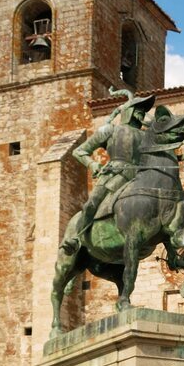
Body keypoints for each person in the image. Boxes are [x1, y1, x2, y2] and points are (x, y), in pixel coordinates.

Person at [59, 92, 157, 255]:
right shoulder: (110, 130)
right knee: (92, 204)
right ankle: (75, 238)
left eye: (143, 110)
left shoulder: (147, 136)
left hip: (140, 178)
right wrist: (93, 164)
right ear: (129, 111)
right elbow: (79, 151)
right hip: (114, 175)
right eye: (138, 109)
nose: (141, 113)